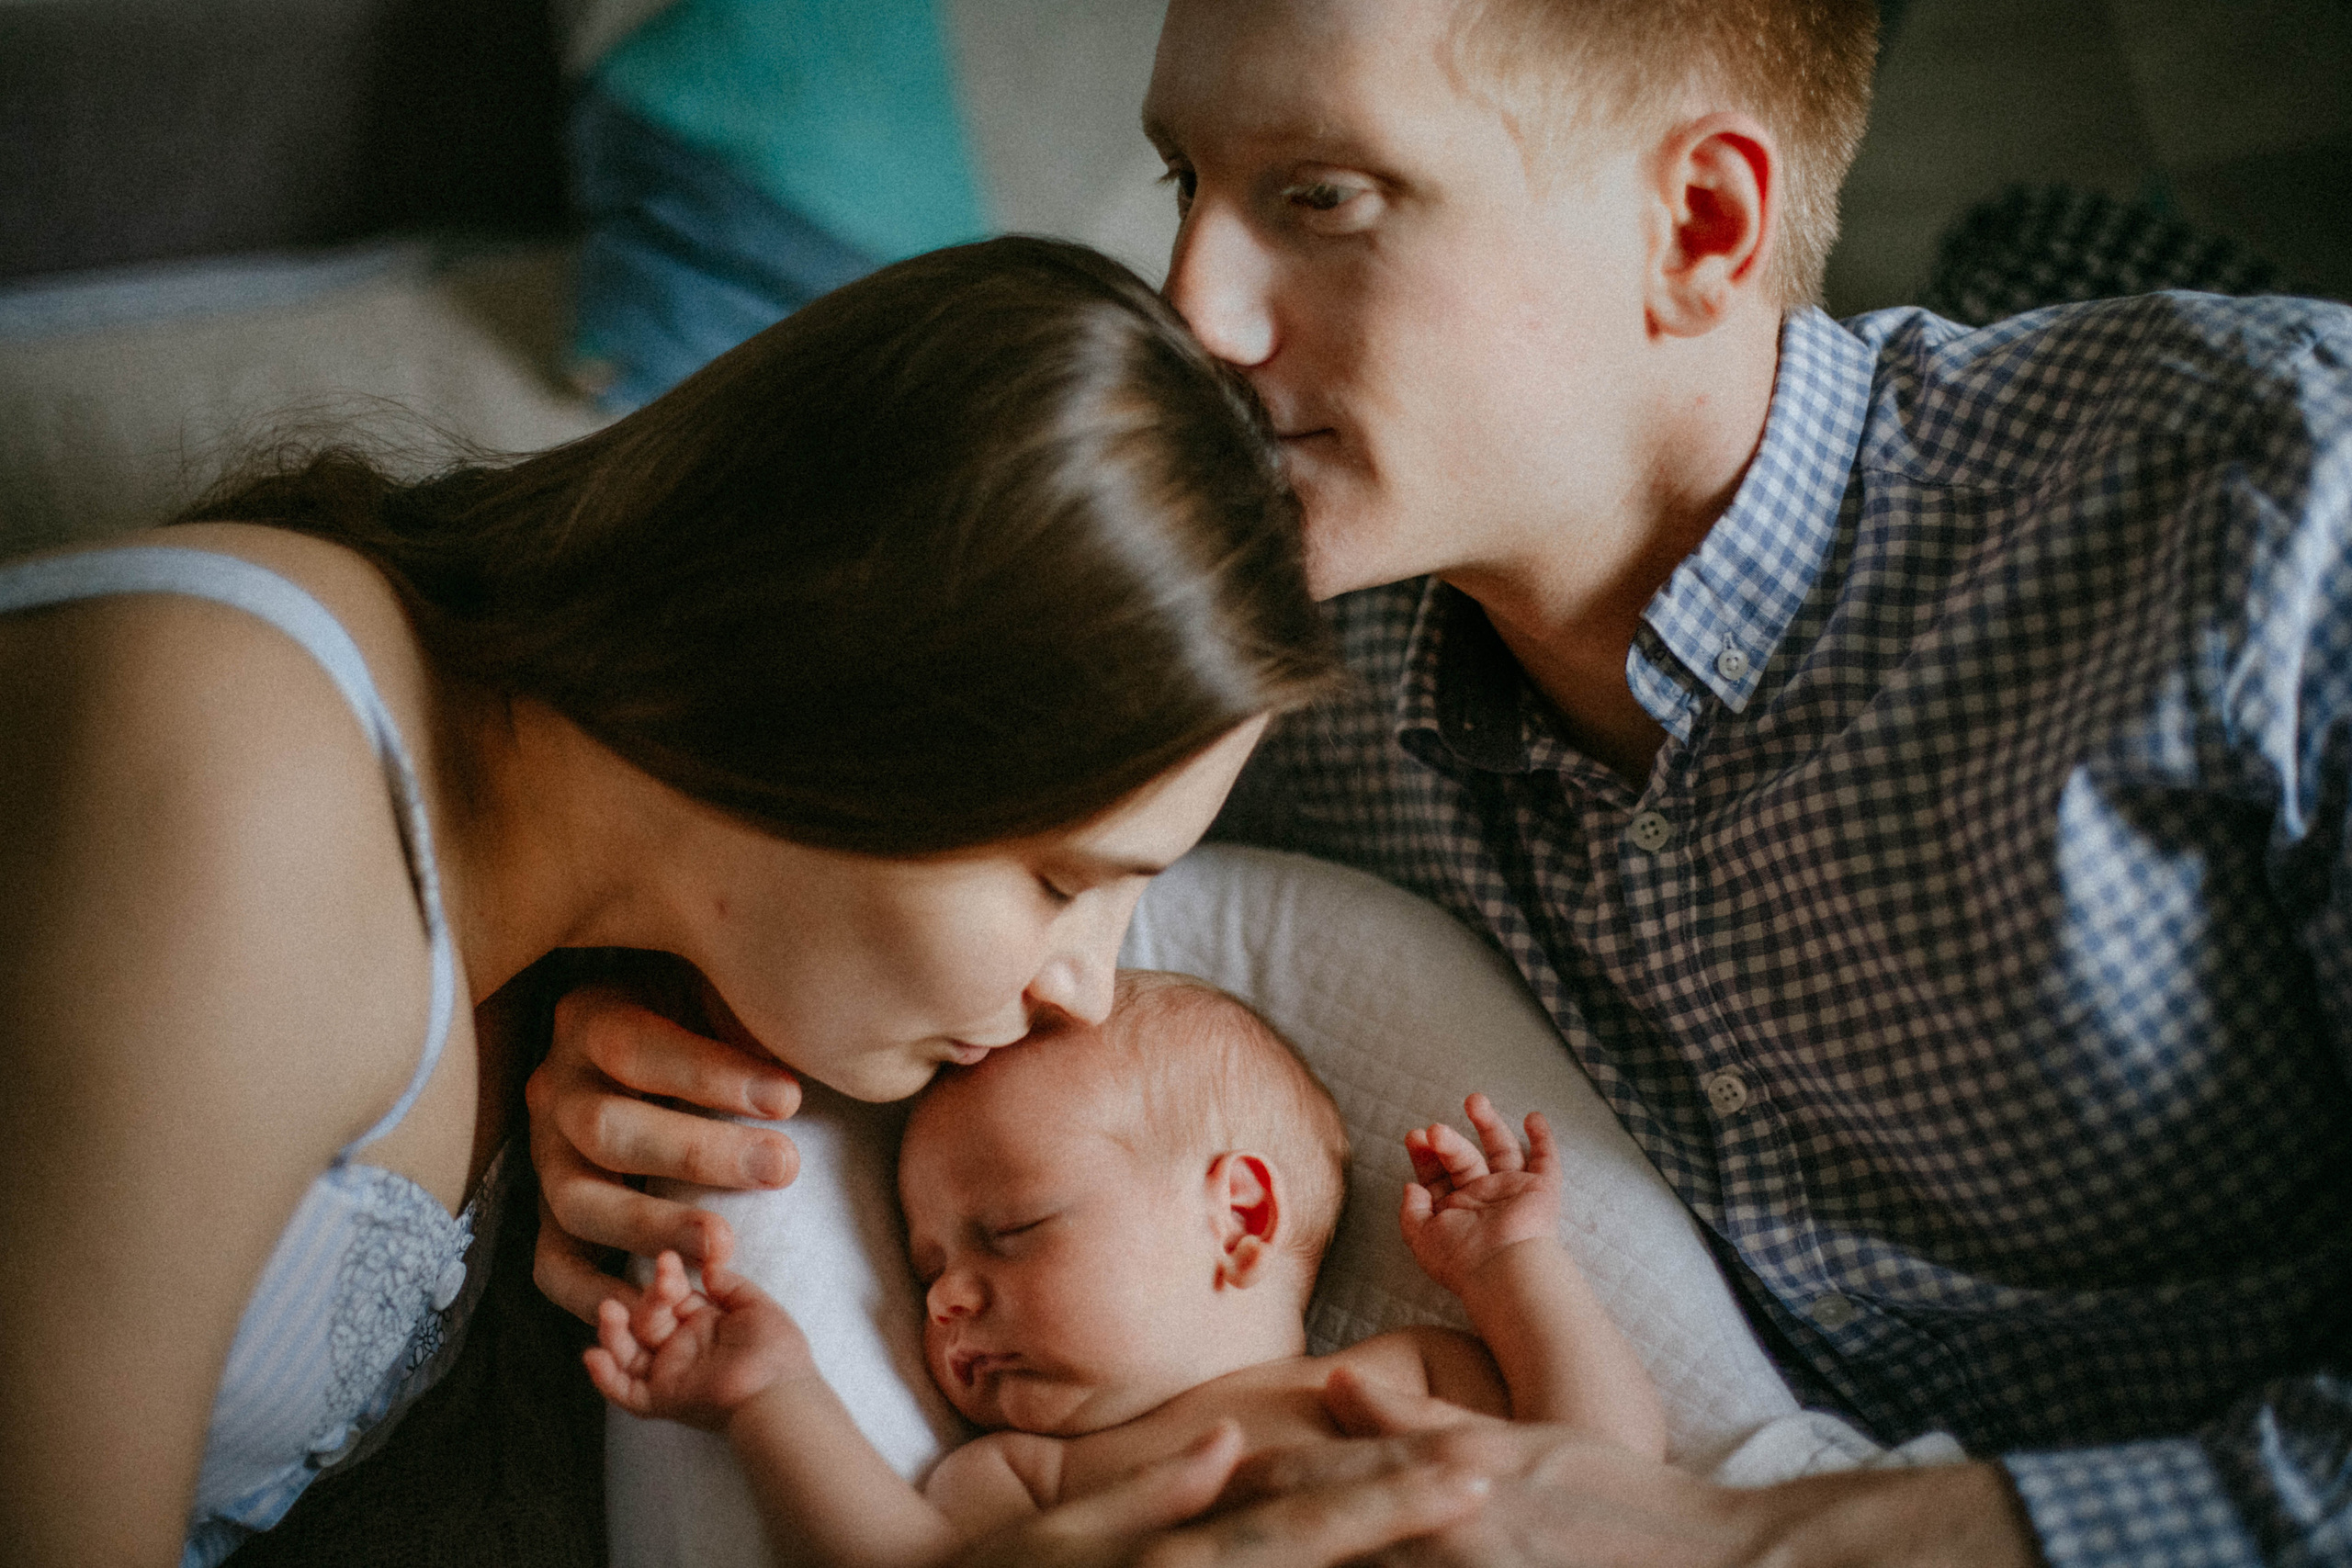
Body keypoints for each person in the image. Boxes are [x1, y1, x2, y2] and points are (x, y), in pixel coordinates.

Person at [534, 0, 2352, 1563]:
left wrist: (1753, 1543)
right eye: (1186, 186)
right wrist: (664, 995)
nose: (1196, 310)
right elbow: (840, 790)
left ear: (1696, 226)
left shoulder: (2278, 511)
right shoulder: (1258, 695)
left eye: (1317, 199)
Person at [0, 234, 1396, 1568]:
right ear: (844, 694)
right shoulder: (245, 765)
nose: (1083, 985)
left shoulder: (597, 979)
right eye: (1065, 881)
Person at [587, 971, 1664, 1567]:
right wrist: (773, 1397)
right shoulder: (1018, 1477)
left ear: (1237, 1217)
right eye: (926, 1271)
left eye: (1010, 1230)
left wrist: (1513, 1265)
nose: (948, 1297)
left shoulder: (1407, 1380)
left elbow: (1613, 1473)